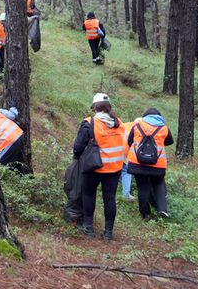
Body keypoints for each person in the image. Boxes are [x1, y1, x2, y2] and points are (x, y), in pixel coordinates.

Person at [73, 93, 125, 240]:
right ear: (109, 107)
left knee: (89, 194)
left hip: (93, 166)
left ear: (94, 107)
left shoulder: (90, 122)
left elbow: (78, 146)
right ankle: (108, 232)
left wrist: (76, 158)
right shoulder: (118, 122)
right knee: (110, 198)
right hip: (114, 167)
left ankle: (88, 228)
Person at [126, 108, 174, 219]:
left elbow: (129, 141)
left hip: (137, 163)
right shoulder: (164, 128)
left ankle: (145, 213)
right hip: (157, 164)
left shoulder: (137, 125)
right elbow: (170, 141)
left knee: (142, 187)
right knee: (159, 184)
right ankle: (162, 209)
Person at [120, 118, 142, 201]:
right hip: (125, 152)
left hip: (114, 150)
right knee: (126, 171)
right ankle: (126, 195)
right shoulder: (137, 130)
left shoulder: (125, 124)